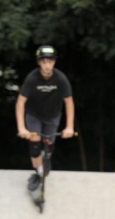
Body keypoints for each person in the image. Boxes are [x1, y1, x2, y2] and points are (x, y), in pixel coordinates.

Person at [15, 45, 75, 191]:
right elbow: (20, 102)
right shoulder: (32, 78)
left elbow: (69, 102)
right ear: (39, 63)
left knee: (48, 143)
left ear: (54, 62)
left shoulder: (60, 79)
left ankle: (45, 160)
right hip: (34, 114)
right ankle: (38, 173)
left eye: (50, 62)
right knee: (35, 140)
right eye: (44, 62)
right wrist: (22, 128)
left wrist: (69, 127)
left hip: (52, 115)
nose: (47, 66)